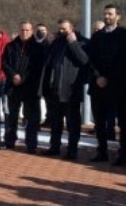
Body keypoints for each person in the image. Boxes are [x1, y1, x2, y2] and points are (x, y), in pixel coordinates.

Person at [86, 4, 126, 164]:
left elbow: (125, 61)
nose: (107, 17)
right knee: (99, 121)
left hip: (119, 86)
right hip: (98, 85)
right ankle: (102, 151)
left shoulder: (125, 36)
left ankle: (123, 153)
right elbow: (90, 59)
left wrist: (109, 77)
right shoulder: (97, 36)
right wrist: (99, 76)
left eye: (110, 14)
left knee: (123, 121)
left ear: (118, 16)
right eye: (105, 14)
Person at [38, 19, 89, 160]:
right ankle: (54, 147)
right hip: (54, 89)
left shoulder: (82, 41)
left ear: (72, 28)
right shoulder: (56, 42)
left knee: (72, 123)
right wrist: (48, 42)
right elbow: (46, 61)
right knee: (55, 122)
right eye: (59, 28)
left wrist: (73, 43)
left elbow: (84, 60)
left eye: (64, 29)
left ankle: (72, 150)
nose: (61, 31)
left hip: (70, 90)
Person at [1, 22, 43, 153]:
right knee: (11, 116)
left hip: (30, 87)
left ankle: (31, 143)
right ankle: (9, 141)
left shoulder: (37, 48)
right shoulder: (11, 46)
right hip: (13, 86)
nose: (24, 32)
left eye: (27, 30)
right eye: (22, 30)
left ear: (32, 31)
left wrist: (23, 78)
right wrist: (13, 76)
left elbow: (37, 67)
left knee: (31, 117)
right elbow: (4, 63)